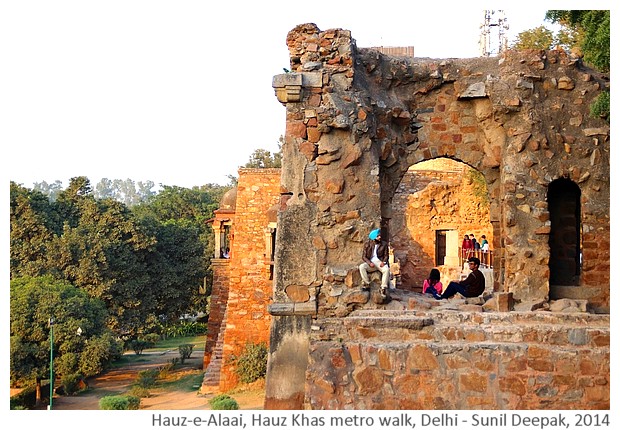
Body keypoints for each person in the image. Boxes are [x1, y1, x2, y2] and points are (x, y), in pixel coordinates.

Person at [359, 228, 390, 293]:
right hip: (371, 263)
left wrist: (384, 262)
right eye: (378, 236)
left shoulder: (384, 244)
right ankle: (367, 284)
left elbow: (386, 255)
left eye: (379, 235)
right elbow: (364, 256)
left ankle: (383, 287)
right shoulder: (367, 244)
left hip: (380, 262)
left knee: (386, 269)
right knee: (362, 267)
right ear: (373, 238)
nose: (379, 237)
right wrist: (369, 263)